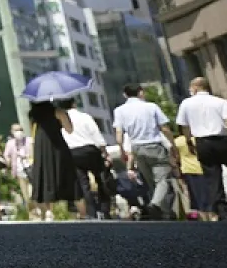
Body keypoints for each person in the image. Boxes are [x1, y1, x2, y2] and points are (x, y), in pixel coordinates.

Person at [175, 78, 227, 219]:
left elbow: (185, 126)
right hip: (223, 141)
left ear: (195, 88)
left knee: (212, 179)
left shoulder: (186, 104)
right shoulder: (220, 101)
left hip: (202, 143)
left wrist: (188, 141)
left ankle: (223, 213)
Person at [111, 84, 177, 219]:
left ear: (125, 95)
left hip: (136, 148)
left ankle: (165, 213)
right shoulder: (151, 107)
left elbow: (119, 134)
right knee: (163, 180)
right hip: (154, 146)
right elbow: (164, 128)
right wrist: (173, 145)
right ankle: (155, 204)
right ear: (141, 92)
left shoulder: (119, 110)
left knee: (151, 181)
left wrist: (122, 151)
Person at [29, 100, 83, 220]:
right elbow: (69, 129)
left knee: (46, 174)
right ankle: (79, 211)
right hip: (56, 145)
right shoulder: (57, 111)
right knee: (66, 174)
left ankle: (48, 210)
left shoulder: (32, 114)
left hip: (40, 147)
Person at [63, 99, 115, 219]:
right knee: (101, 179)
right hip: (89, 150)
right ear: (74, 104)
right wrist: (105, 153)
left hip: (72, 153)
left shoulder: (60, 120)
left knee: (83, 184)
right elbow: (96, 135)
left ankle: (90, 213)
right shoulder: (84, 116)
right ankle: (105, 210)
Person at [172, 132, 211, 221]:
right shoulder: (201, 138)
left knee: (198, 200)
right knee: (209, 198)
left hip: (189, 171)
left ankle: (204, 222)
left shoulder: (177, 141)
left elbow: (175, 158)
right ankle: (213, 219)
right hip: (204, 169)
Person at [3, 122, 33, 209]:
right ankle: (31, 213)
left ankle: (36, 209)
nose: (19, 132)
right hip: (19, 171)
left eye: (20, 129)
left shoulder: (29, 140)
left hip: (30, 169)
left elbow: (33, 153)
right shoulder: (10, 143)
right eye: (16, 130)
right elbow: (6, 155)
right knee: (25, 194)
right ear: (12, 132)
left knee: (32, 193)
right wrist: (8, 161)